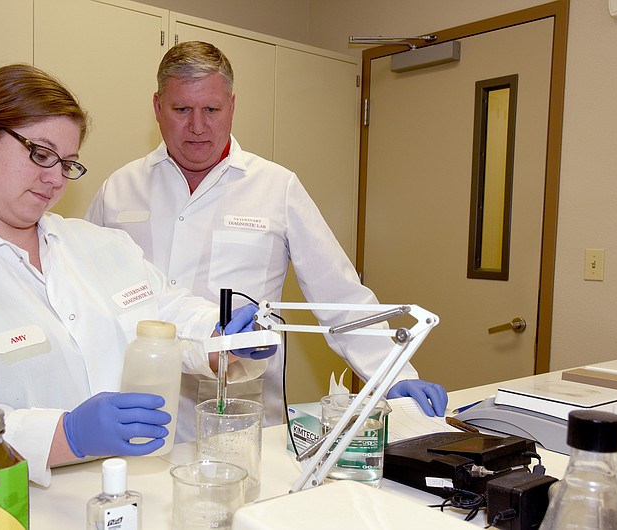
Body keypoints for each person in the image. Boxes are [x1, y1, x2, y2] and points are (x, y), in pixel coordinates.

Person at [0, 63, 273, 486]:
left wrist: (226, 337)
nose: (54, 179)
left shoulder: (101, 246)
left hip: (136, 494)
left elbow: (168, 313)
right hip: (5, 508)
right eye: (40, 154)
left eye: (67, 163)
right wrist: (64, 435)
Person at [85, 41, 448, 443]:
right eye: (181, 109)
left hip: (241, 412)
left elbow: (339, 295)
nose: (197, 126)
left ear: (232, 105)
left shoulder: (277, 187)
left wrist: (393, 374)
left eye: (211, 109)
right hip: (139, 409)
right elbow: (82, 296)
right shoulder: (118, 190)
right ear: (157, 106)